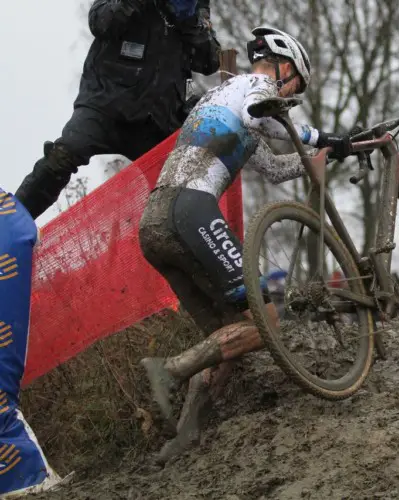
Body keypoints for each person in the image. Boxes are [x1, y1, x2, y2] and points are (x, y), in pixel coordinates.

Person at [138, 25, 354, 463]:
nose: (295, 97)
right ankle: (170, 371)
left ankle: (179, 441)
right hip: (190, 212)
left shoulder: (222, 99)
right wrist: (323, 137)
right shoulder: (256, 85)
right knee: (270, 321)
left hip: (154, 222)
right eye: (298, 87)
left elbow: (273, 168)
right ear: (286, 69)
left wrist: (324, 156)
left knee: (226, 333)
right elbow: (264, 114)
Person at [14, 0, 221, 220]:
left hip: (159, 119)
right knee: (64, 154)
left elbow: (209, 61)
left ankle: (166, 250)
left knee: (175, 197)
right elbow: (101, 22)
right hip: (106, 103)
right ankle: (10, 226)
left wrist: (189, 21)